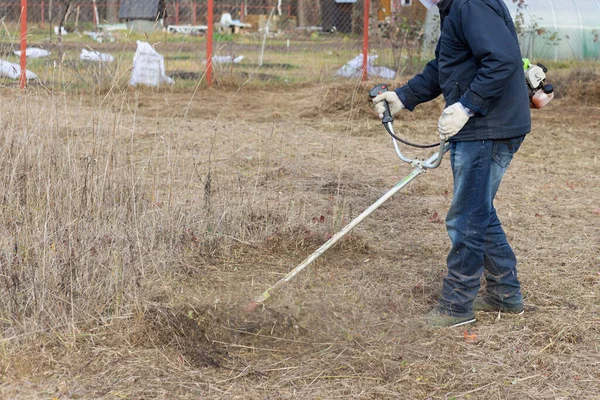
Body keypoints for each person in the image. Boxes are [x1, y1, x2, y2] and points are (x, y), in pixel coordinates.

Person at [372, 0, 531, 327]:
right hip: (490, 125)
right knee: (479, 210)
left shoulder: (469, 4)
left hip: (486, 127)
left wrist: (468, 107)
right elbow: (447, 64)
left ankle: (456, 305)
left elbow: (503, 60)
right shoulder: (455, 7)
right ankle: (505, 293)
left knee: (467, 216)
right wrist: (404, 96)